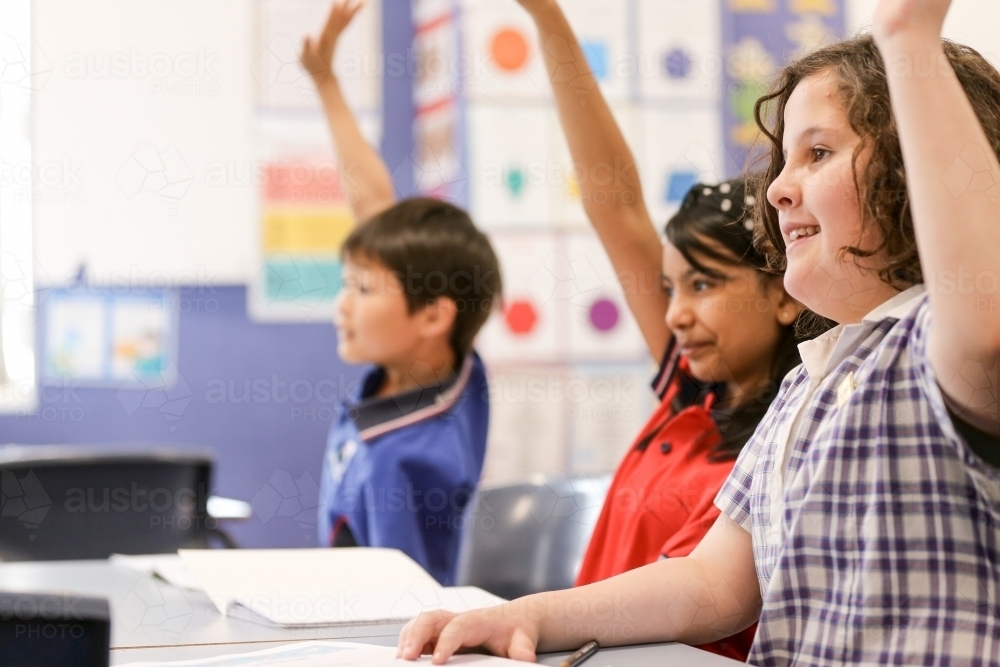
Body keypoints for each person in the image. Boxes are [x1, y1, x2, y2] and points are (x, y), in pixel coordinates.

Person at [397, 0, 1000, 663]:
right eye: (783, 160)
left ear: (914, 175)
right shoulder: (808, 384)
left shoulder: (935, 349)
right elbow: (711, 581)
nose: (778, 190)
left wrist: (907, 37)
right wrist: (528, 615)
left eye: (819, 152)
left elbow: (983, 312)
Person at [504, 0, 808, 660]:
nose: (674, 313)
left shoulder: (788, 436)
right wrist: (548, 19)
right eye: (670, 287)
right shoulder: (693, 388)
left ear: (784, 292)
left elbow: (702, 595)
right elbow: (611, 200)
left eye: (704, 285)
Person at [301, 0, 502, 585]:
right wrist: (326, 81)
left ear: (433, 315)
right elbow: (373, 211)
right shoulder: (445, 369)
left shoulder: (405, 459)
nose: (342, 304)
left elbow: (401, 610)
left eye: (362, 288)